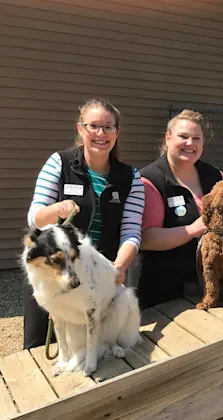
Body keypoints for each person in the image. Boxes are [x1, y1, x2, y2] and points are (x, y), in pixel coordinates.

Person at [24, 97, 145, 350]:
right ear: (81, 128)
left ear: (117, 132)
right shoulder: (59, 162)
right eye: (94, 126)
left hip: (100, 276)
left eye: (108, 127)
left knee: (94, 350)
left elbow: (132, 232)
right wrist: (56, 209)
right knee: (39, 348)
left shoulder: (130, 177)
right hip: (56, 272)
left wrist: (119, 267)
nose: (101, 134)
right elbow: (34, 217)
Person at [137, 109, 223, 310]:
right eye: (183, 137)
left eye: (196, 138)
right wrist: (194, 229)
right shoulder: (150, 180)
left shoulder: (215, 176)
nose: (190, 143)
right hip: (165, 293)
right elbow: (146, 238)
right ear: (168, 138)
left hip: (212, 289)